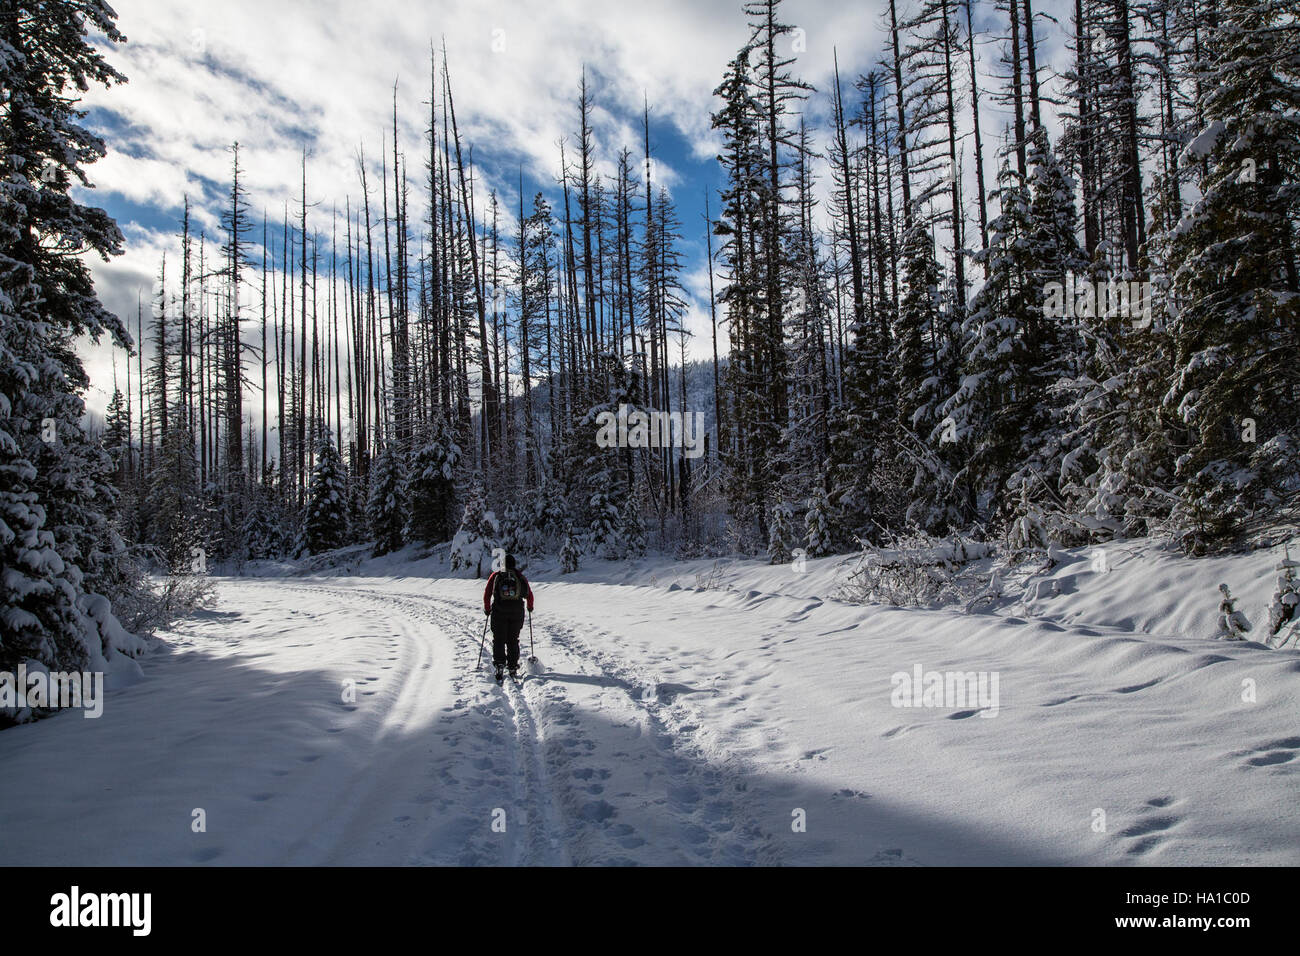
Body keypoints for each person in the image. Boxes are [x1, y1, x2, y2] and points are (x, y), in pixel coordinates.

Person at [483, 553, 534, 681]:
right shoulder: (519, 576)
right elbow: (529, 594)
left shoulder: (496, 576)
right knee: (513, 639)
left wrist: (487, 609)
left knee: (499, 639)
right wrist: (530, 607)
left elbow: (487, 594)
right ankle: (512, 666)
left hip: (499, 611)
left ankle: (500, 664)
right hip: (517, 612)